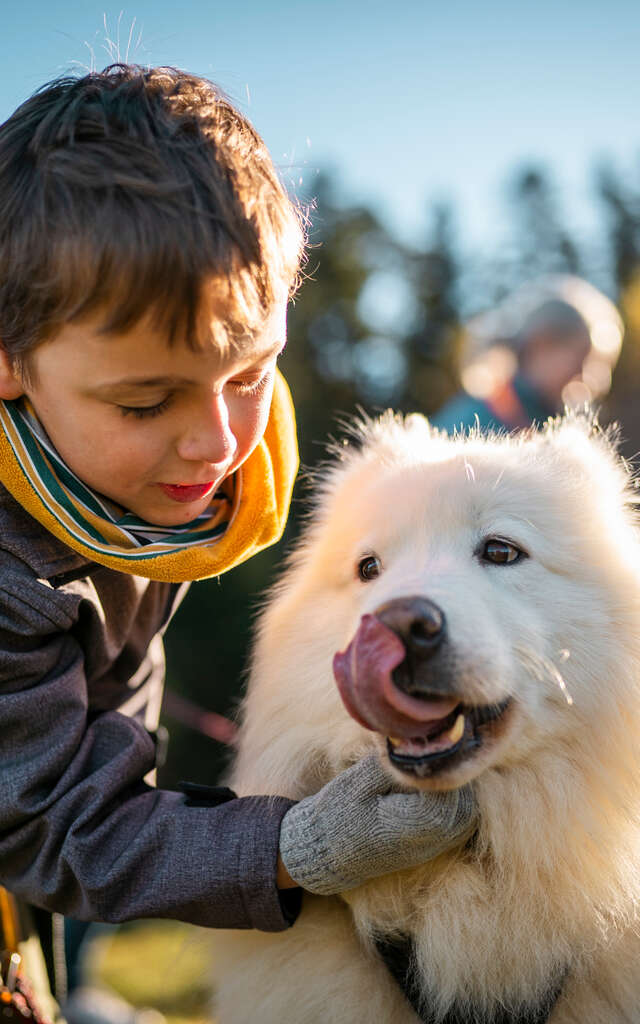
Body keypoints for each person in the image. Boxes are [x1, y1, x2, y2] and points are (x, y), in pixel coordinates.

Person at [0, 65, 474, 1014]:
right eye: (145, 400)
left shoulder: (129, 487)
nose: (218, 441)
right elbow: (56, 823)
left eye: (253, 372)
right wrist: (291, 848)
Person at [432, 275, 623, 433]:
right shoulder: (475, 422)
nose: (590, 378)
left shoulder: (538, 420)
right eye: (582, 360)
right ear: (541, 344)